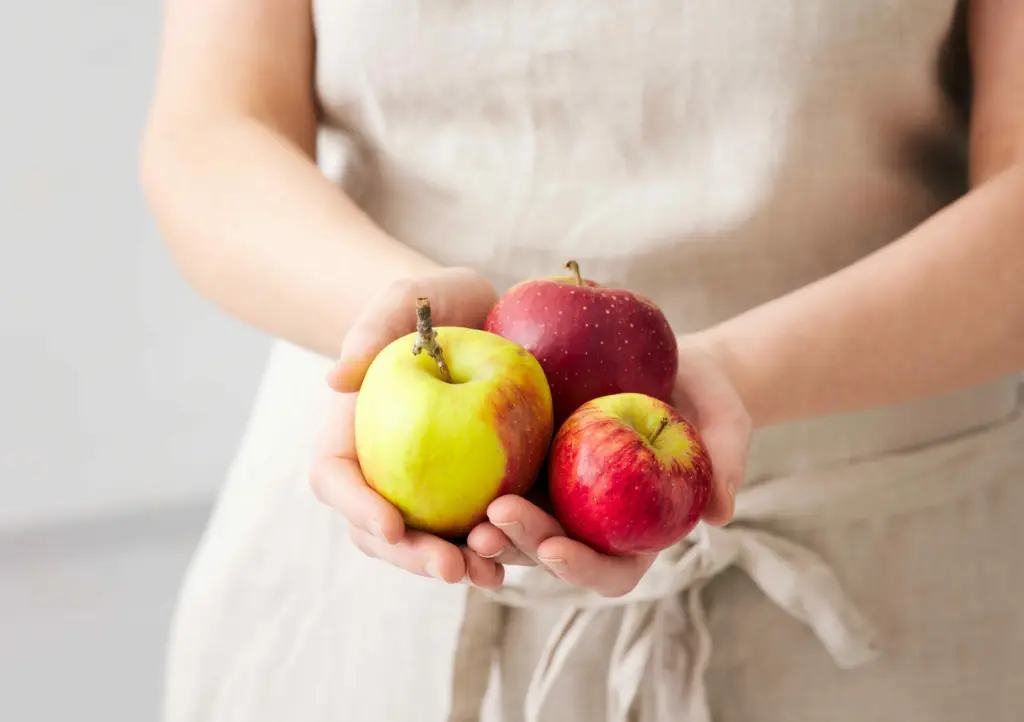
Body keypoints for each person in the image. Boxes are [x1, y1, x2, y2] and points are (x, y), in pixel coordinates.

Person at [140, 1, 1024, 720]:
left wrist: (740, 373)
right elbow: (211, 132)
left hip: (878, 570)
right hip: (371, 559)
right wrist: (407, 326)